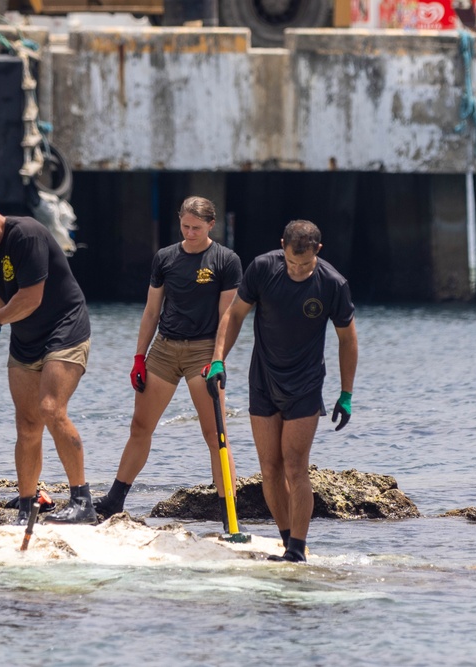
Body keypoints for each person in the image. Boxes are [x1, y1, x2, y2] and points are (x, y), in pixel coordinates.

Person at [206, 220, 358, 562]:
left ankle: (298, 550)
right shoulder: (263, 268)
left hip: (305, 385)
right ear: (282, 247)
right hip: (262, 379)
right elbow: (234, 315)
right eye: (291, 263)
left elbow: (347, 339)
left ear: (318, 251)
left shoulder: (333, 284)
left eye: (304, 264)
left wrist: (346, 393)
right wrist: (218, 360)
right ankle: (288, 541)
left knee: (294, 466)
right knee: (269, 468)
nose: (298, 270)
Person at [94, 196, 243, 530]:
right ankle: (114, 500)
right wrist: (138, 357)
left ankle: (230, 517)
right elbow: (151, 312)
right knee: (140, 427)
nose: (189, 233)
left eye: (196, 228)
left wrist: (218, 360)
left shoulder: (226, 260)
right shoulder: (165, 258)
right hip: (163, 349)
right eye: (185, 226)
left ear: (210, 225)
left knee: (215, 434)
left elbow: (227, 319)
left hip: (203, 353)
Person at [0, 195, 96, 525]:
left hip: (65, 329)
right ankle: (28, 506)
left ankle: (82, 501)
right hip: (27, 338)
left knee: (50, 409)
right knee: (27, 424)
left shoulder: (25, 234)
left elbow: (30, 299)